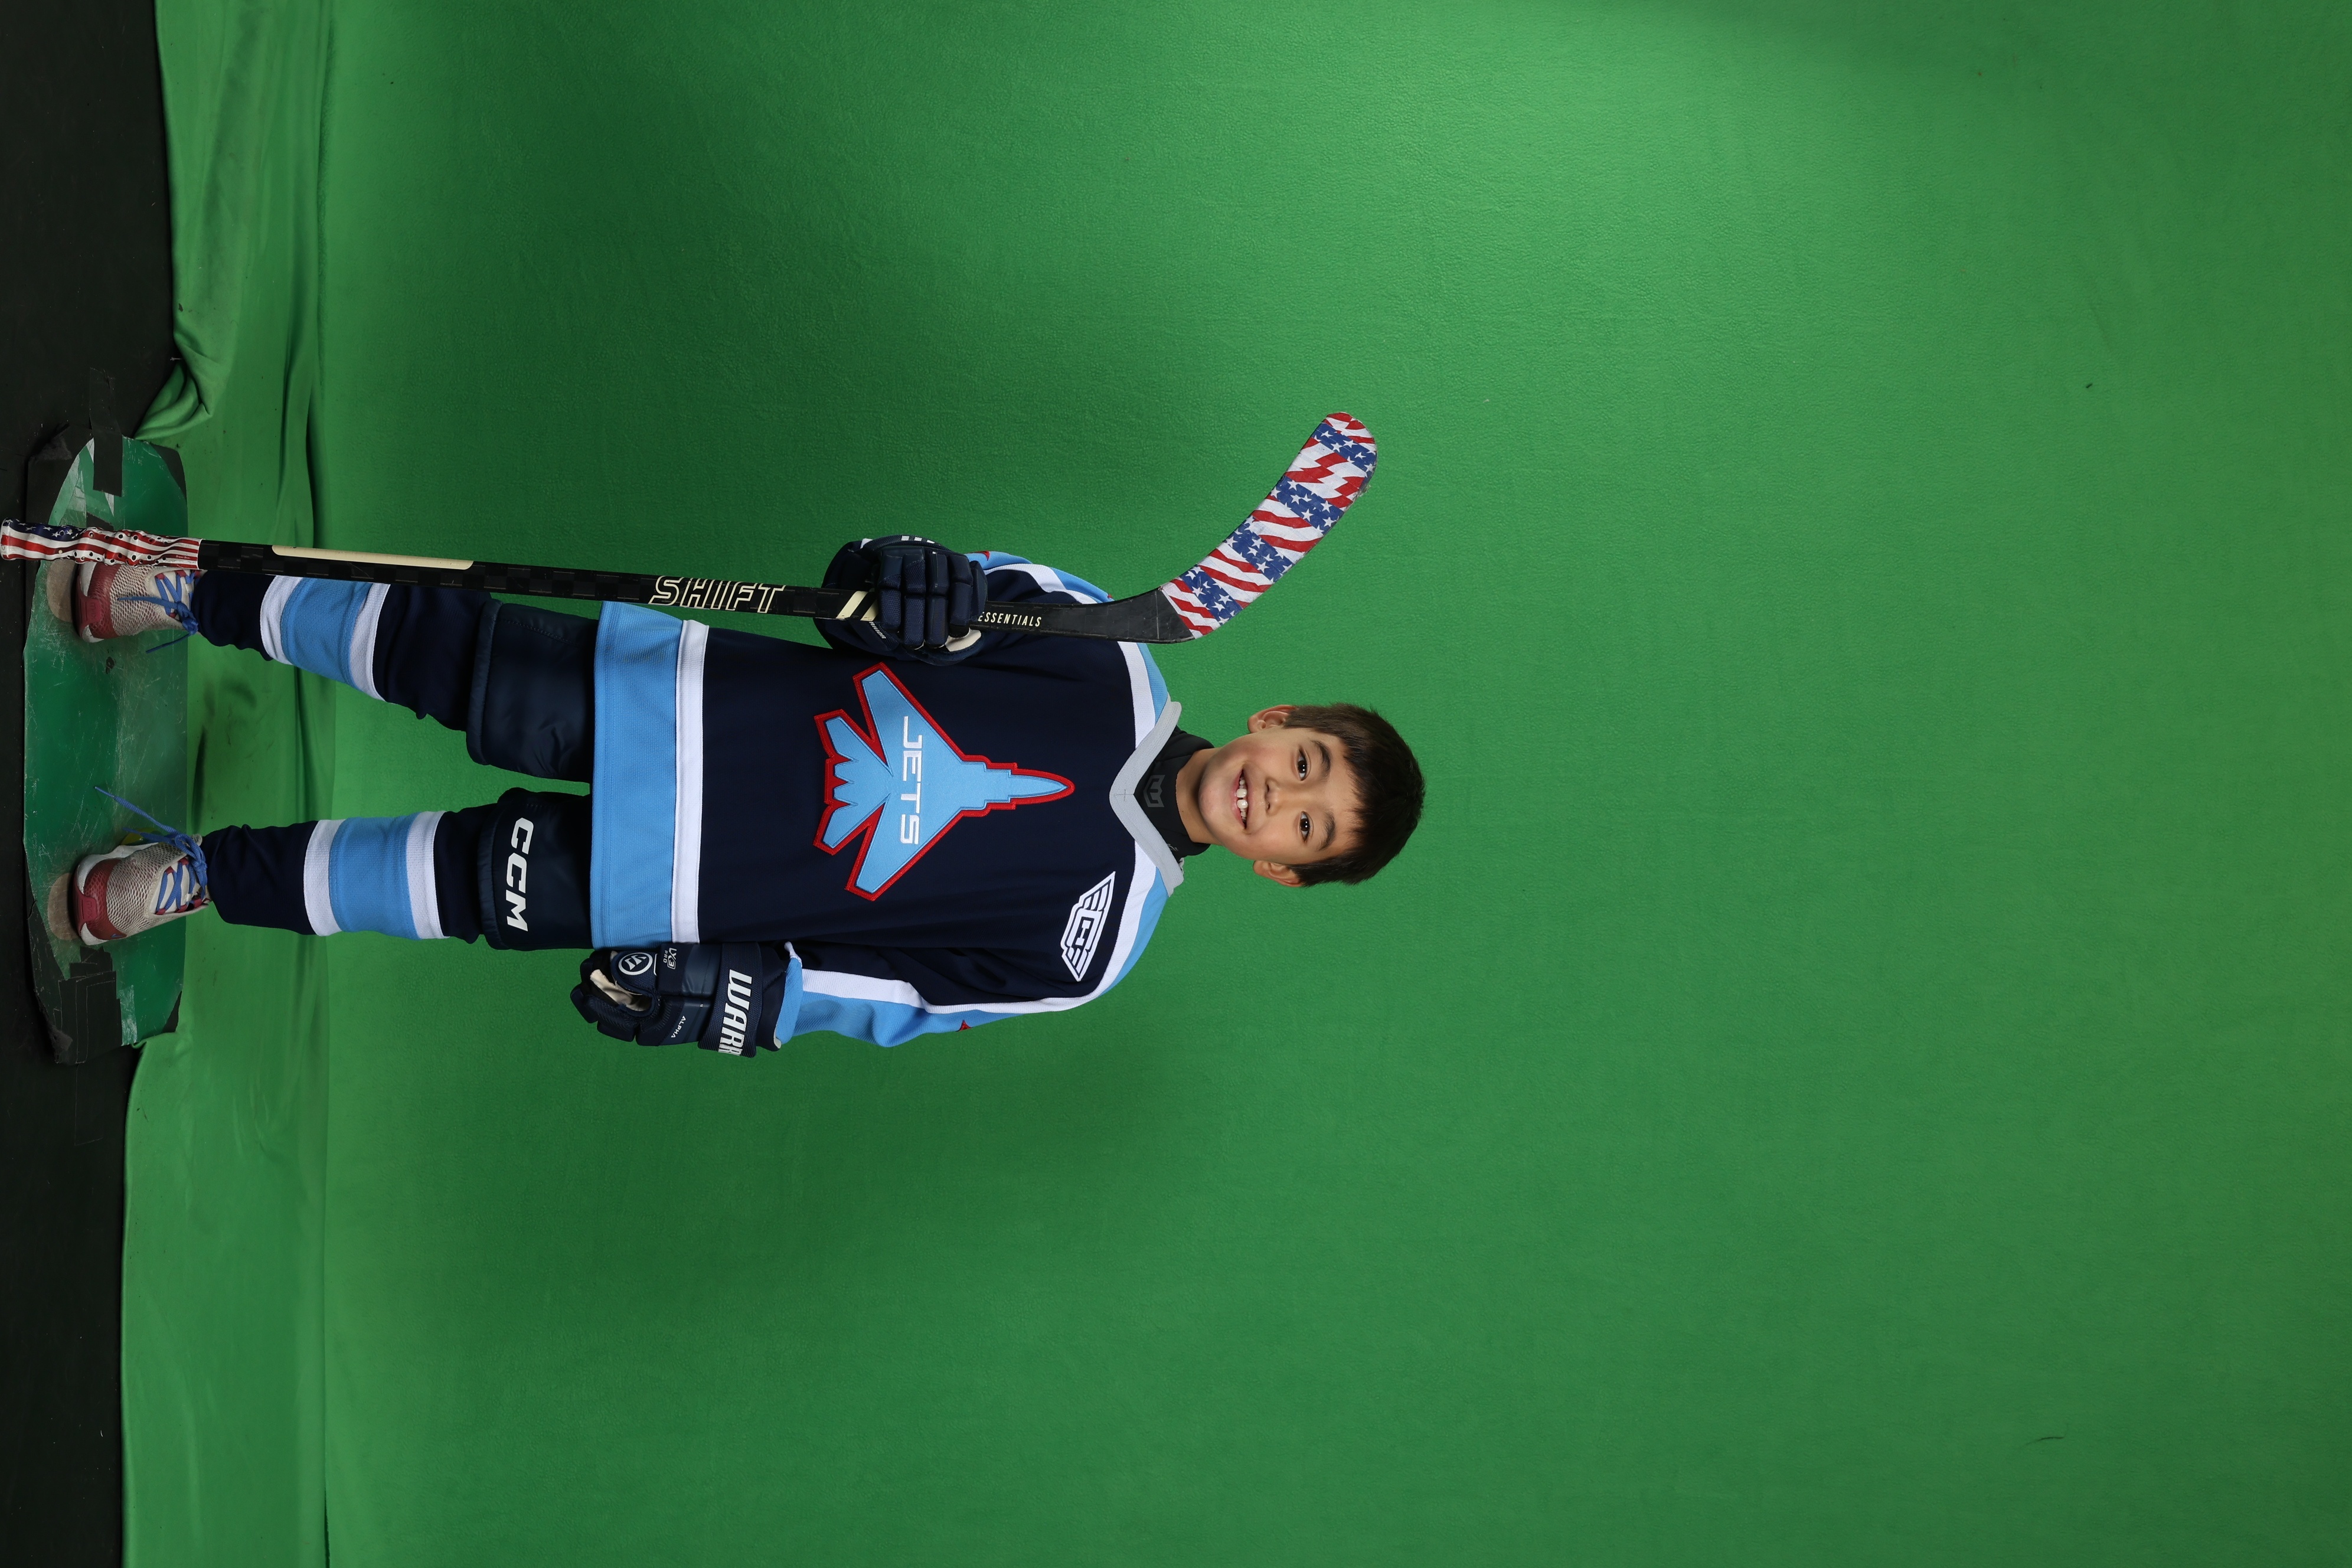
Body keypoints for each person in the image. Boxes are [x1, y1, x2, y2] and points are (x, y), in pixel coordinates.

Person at [51, 538, 1423, 1054]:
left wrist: (754, 999)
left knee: (440, 882)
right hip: (687, 695)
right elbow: (918, 590)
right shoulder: (1107, 650)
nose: (1277, 795)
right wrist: (904, 575)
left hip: (688, 884)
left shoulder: (1094, 947)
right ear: (1279, 718)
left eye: (1305, 826)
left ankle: (201, 876)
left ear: (1280, 869)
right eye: (1305, 761)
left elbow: (903, 995)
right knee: (437, 648)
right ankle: (192, 594)